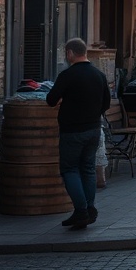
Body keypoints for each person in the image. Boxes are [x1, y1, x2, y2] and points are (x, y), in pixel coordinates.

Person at [46, 38, 110, 230]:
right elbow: (106, 104)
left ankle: (81, 210)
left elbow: (50, 100)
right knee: (88, 169)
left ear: (70, 53)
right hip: (93, 130)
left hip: (72, 131)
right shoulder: (99, 75)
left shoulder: (67, 75)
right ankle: (89, 208)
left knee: (70, 169)